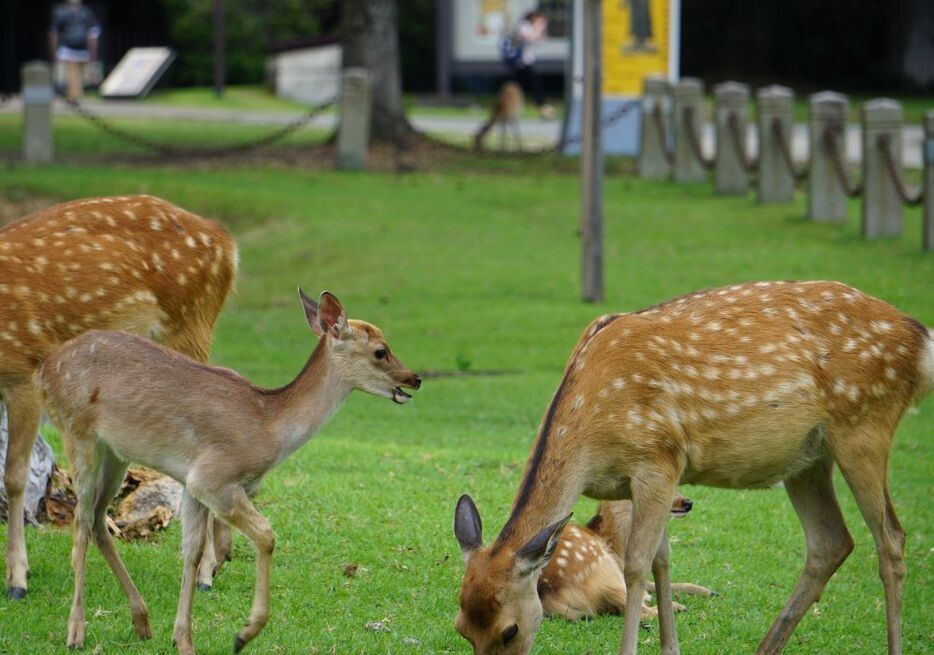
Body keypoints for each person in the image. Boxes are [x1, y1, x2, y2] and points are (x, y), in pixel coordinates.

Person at [500, 10, 554, 119]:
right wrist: (539, 27)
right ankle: (542, 107)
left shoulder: (531, 27)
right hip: (519, 62)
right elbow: (530, 37)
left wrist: (540, 30)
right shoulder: (524, 25)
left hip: (526, 62)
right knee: (530, 84)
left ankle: (541, 107)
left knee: (525, 85)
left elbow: (541, 40)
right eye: (539, 19)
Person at [49, 0, 101, 101]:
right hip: (66, 50)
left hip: (83, 51)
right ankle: (72, 97)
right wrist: (54, 52)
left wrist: (92, 54)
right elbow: (53, 34)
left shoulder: (87, 13)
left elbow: (93, 35)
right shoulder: (60, 13)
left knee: (84, 79)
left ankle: (74, 97)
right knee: (65, 79)